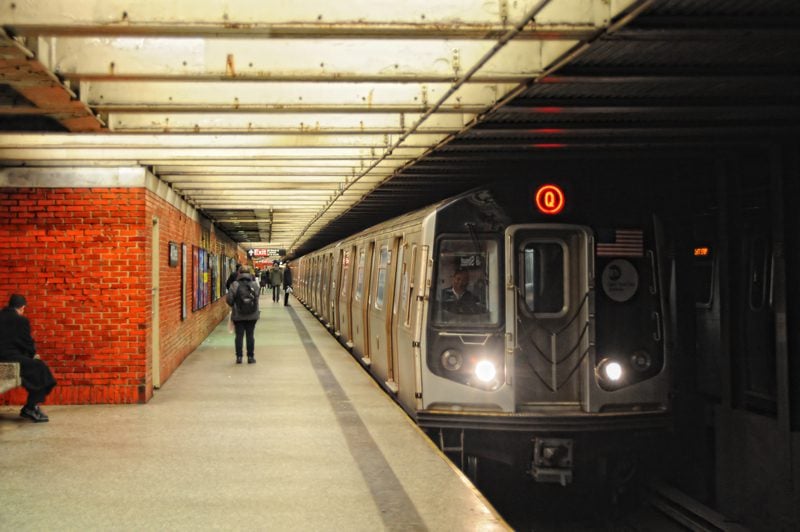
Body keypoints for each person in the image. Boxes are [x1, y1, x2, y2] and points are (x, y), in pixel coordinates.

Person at [0, 294, 57, 422]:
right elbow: (27, 344)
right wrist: (32, 355)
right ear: (22, 307)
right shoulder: (21, 321)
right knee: (42, 370)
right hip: (12, 358)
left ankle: (31, 406)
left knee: (33, 371)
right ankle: (31, 406)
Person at [225, 266, 260, 364]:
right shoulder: (254, 285)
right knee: (250, 335)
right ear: (249, 273)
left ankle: (239, 357)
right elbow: (257, 298)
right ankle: (250, 357)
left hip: (238, 315)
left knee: (239, 336)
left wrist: (235, 306)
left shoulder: (234, 285)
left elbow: (229, 300)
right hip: (252, 314)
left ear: (239, 273)